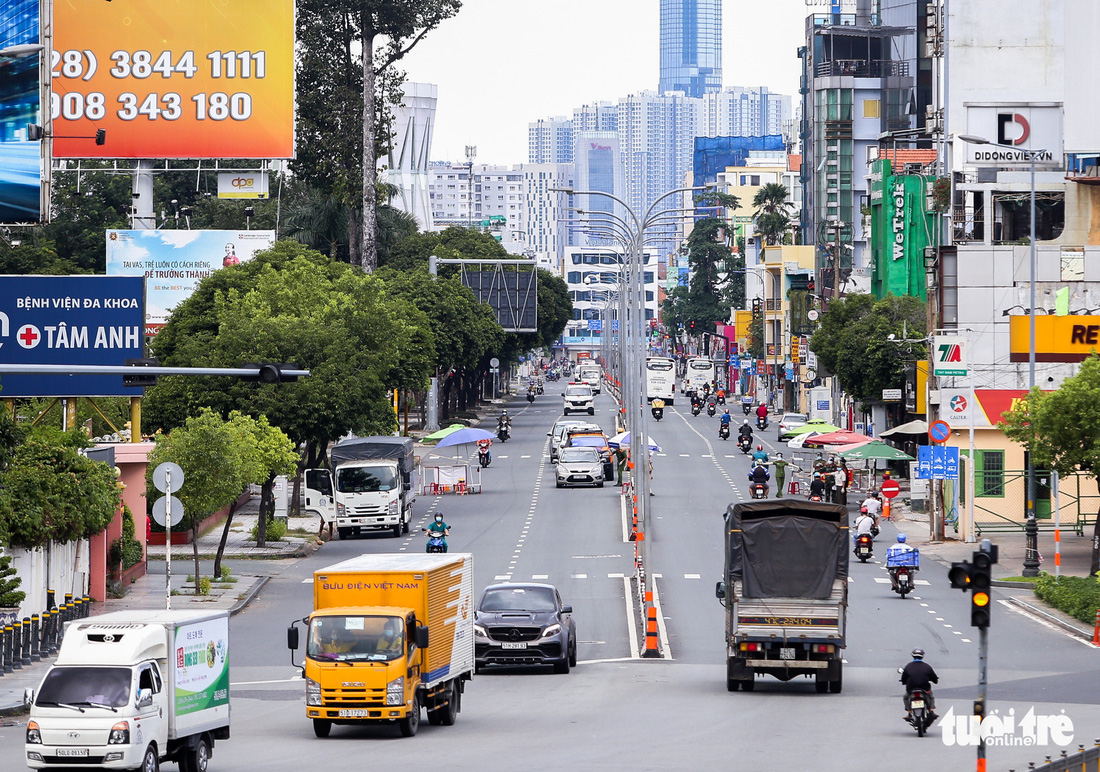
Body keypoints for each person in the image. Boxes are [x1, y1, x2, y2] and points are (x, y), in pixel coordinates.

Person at [901, 648, 939, 721]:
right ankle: (931, 710)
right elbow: (934, 679)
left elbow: (903, 679)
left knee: (905, 697)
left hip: (911, 689)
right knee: (931, 697)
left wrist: (904, 682)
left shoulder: (908, 666)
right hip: (925, 689)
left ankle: (909, 712)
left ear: (913, 656)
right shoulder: (927, 667)